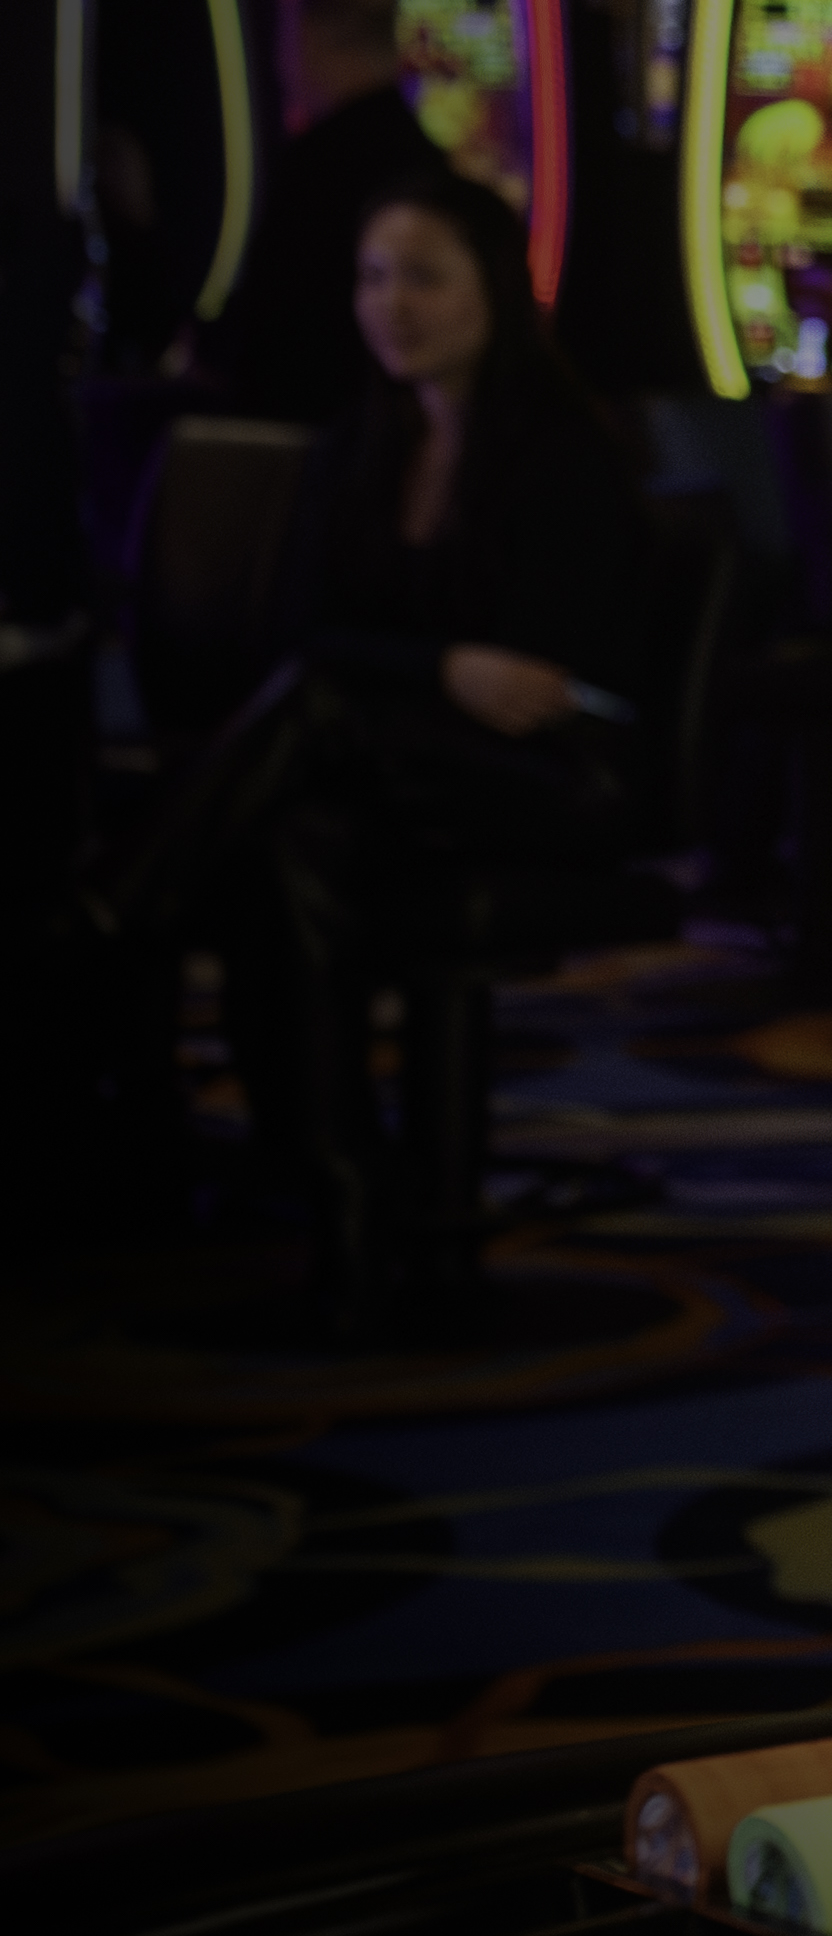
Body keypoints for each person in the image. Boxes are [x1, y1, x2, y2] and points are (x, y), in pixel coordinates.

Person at [158, 162, 658, 1323]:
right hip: (399, 772)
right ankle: (349, 1206)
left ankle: (125, 914)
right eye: (374, 276)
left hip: (562, 779)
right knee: (289, 856)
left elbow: (537, 683)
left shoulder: (563, 448)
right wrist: (437, 668)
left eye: (424, 276)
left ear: (493, 285)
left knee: (316, 723)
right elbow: (298, 632)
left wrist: (398, 674)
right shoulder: (360, 444)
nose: (394, 303)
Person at [199, 0, 435, 426]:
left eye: (286, 40)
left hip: (316, 421)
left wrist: (210, 351)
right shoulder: (422, 153)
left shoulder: (320, 159)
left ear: (319, 40)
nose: (281, 60)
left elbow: (276, 306)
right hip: (394, 412)